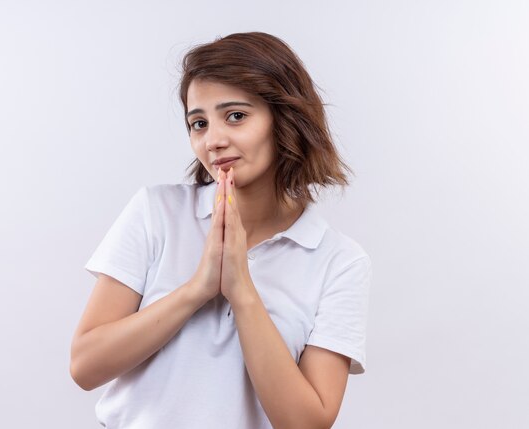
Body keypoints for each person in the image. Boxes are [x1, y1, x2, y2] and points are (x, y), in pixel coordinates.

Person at [70, 31, 372, 429]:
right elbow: (85, 367)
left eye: (236, 116)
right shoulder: (156, 211)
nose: (213, 140)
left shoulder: (338, 261)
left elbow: (306, 424)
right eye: (198, 123)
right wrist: (198, 288)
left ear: (285, 119)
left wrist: (242, 291)